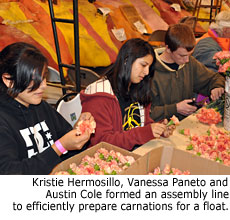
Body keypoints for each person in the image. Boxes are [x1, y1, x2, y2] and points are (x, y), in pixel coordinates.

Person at [0, 42, 95, 175]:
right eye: (33, 79)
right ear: (8, 81)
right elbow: (10, 176)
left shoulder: (41, 106)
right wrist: (59, 147)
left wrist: (79, 131)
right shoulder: (4, 119)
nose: (43, 85)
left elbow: (69, 145)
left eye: (43, 76)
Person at [80, 38, 175, 151]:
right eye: (143, 65)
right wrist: (144, 133)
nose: (147, 72)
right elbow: (101, 143)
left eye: (149, 67)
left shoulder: (137, 87)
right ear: (126, 60)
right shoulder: (100, 95)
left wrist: (158, 128)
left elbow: (142, 123)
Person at [151, 23, 225, 122]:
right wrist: (175, 108)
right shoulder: (149, 72)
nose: (186, 60)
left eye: (189, 55)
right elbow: (147, 114)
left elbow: (213, 78)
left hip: (184, 125)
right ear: (168, 48)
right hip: (159, 129)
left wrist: (216, 86)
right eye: (182, 55)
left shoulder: (190, 63)